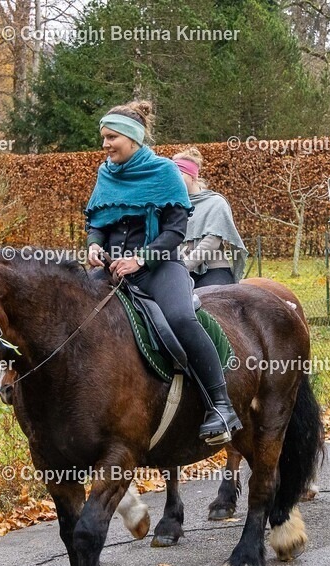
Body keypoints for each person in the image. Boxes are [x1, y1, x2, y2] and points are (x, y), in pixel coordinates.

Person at [84, 100, 242, 444]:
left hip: (159, 265)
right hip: (112, 269)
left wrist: (140, 259)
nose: (105, 145)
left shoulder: (164, 172)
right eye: (103, 138)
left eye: (111, 137)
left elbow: (175, 231)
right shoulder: (105, 174)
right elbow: (96, 222)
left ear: (132, 138)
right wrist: (94, 246)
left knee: (181, 318)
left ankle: (220, 405)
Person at [172, 147, 248, 288]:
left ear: (193, 176)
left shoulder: (215, 203)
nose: (174, 179)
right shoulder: (170, 205)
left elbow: (211, 242)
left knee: (210, 303)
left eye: (180, 173)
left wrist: (184, 266)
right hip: (177, 270)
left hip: (213, 270)